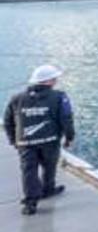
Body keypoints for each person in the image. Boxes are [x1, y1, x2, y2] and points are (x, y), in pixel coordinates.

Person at [5, 65, 75, 216]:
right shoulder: (59, 97)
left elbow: (8, 121)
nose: (56, 80)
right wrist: (69, 137)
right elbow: (66, 119)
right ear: (49, 81)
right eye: (55, 78)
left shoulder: (16, 98)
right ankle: (48, 190)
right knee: (49, 167)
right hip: (50, 142)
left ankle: (30, 203)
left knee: (28, 171)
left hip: (25, 143)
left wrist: (13, 140)